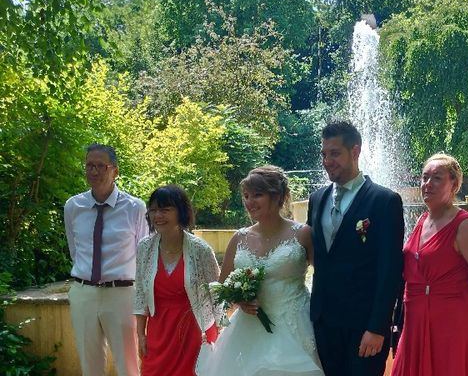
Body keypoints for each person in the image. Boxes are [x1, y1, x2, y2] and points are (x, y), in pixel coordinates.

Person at [196, 165, 323, 376]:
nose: (249, 202)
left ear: (278, 196)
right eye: (246, 196)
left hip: (295, 326)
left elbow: (326, 278)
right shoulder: (239, 238)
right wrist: (239, 300)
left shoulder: (303, 234)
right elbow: (221, 286)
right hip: (248, 327)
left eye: (257, 195)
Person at [307, 121, 405, 376]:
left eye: (335, 153)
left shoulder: (385, 201)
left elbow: (390, 270)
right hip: (323, 322)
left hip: (363, 327)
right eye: (324, 154)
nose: (328, 161)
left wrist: (377, 327)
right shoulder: (317, 199)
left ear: (355, 151)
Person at [391, 153, 468, 376]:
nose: (427, 184)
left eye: (437, 178)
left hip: (452, 326)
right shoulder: (424, 220)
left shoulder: (465, 226)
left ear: (455, 184)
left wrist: (450, 296)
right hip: (416, 323)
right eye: (425, 178)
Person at [64, 143, 148, 375]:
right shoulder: (73, 206)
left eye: (101, 166)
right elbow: (76, 250)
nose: (94, 171)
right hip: (84, 293)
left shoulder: (135, 208)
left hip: (122, 294)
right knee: (90, 366)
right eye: (89, 166)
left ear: (115, 171)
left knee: (128, 364)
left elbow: (144, 255)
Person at [134, 184, 221, 375]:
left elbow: (216, 294)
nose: (158, 216)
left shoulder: (201, 250)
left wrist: (219, 333)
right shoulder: (144, 248)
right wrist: (141, 334)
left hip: (195, 331)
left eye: (165, 210)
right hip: (158, 331)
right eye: (154, 210)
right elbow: (140, 293)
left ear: (181, 212)